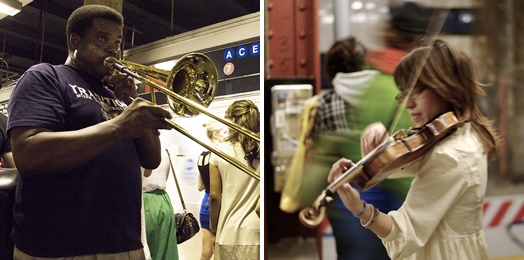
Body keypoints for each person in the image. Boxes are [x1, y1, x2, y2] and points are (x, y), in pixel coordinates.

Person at [7, 5, 172, 259]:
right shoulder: (46, 77)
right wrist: (118, 127)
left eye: (116, 42)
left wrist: (132, 101)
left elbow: (151, 160)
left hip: (124, 243)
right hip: (57, 247)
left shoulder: (116, 95)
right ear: (75, 40)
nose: (112, 49)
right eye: (101, 38)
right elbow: (28, 155)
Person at [328, 38, 499, 260]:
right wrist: (385, 145)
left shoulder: (450, 155)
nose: (407, 103)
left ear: (445, 86)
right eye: (404, 93)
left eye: (417, 90)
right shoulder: (464, 133)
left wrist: (359, 209)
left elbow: (403, 235)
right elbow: (413, 163)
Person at [308, 36, 413, 260]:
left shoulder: (327, 102)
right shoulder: (389, 84)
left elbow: (319, 154)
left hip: (354, 191)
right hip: (396, 190)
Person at [209, 100, 260, 259]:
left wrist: (213, 230)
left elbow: (215, 197)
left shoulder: (218, 152)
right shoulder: (262, 148)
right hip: (257, 233)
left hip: (228, 232)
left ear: (232, 121)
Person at [141, 132, 179, 260]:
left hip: (143, 200)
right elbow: (166, 176)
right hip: (163, 200)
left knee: (145, 249)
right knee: (166, 250)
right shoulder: (165, 147)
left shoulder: (138, 145)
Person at [197, 120, 227, 260]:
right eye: (224, 133)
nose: (226, 136)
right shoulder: (218, 156)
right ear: (215, 135)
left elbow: (200, 186)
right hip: (218, 205)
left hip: (205, 204)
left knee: (205, 253)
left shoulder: (202, 156)